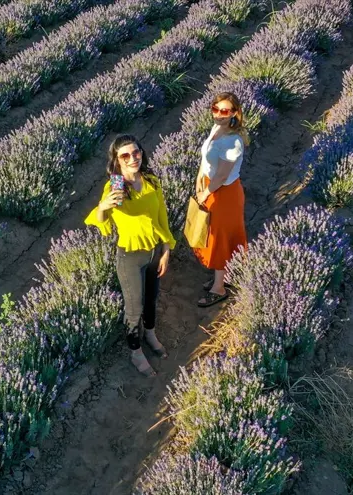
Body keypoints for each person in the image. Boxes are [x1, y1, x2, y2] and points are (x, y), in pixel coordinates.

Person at [85, 135, 175, 376]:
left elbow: (162, 217)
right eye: (125, 155)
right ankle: (135, 352)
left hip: (154, 251)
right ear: (116, 160)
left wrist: (166, 249)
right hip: (130, 257)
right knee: (133, 308)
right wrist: (103, 207)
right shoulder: (114, 188)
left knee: (151, 297)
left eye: (136, 153)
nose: (133, 158)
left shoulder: (151, 181)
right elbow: (102, 223)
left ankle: (150, 334)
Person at [193, 92, 249, 307]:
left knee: (220, 239)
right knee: (214, 234)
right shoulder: (217, 129)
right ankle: (222, 276)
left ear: (234, 113)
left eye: (224, 111)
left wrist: (205, 193)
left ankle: (219, 289)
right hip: (212, 186)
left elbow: (223, 175)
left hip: (224, 194)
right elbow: (206, 156)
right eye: (215, 109)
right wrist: (200, 175)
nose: (218, 115)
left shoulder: (233, 142)